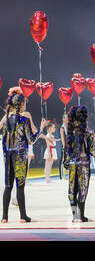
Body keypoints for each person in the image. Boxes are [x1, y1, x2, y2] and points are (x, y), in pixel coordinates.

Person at [0, 90, 46, 223]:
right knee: (20, 186)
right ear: (21, 105)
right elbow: (31, 140)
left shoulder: (7, 119)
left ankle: (4, 217)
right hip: (20, 156)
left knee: (8, 186)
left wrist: (6, 153)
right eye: (24, 103)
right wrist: (41, 128)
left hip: (8, 155)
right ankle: (23, 216)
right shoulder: (24, 120)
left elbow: (5, 140)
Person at [63, 105, 95, 222]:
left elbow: (66, 151)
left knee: (72, 190)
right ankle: (81, 216)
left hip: (72, 164)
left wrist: (66, 162)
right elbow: (92, 151)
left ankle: (74, 216)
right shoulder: (88, 133)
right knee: (83, 190)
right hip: (84, 164)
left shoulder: (70, 134)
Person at [59, 114, 69, 179]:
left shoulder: (69, 127)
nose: (68, 120)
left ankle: (67, 173)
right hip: (64, 145)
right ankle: (62, 175)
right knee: (63, 160)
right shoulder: (62, 128)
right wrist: (63, 146)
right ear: (63, 119)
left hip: (69, 145)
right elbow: (62, 137)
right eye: (66, 119)